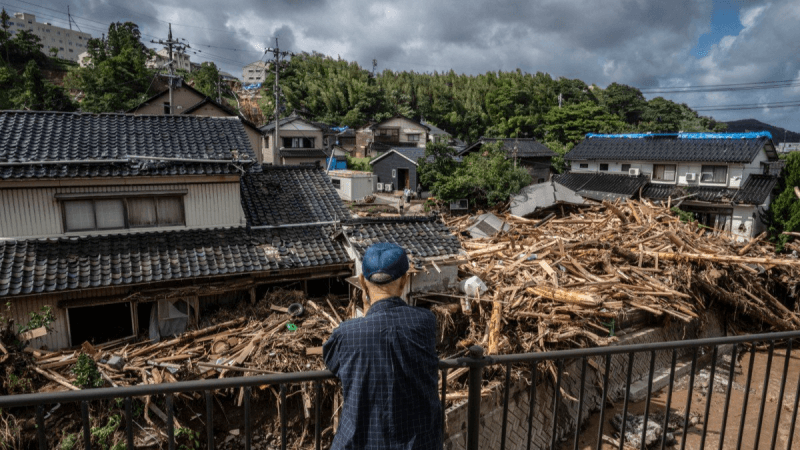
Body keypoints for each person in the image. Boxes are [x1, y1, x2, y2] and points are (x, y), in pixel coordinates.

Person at [323, 243, 442, 450]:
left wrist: (368, 313)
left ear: (362, 282)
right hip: (421, 443)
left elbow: (332, 361)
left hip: (362, 442)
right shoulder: (426, 322)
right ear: (405, 281)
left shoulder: (347, 333)